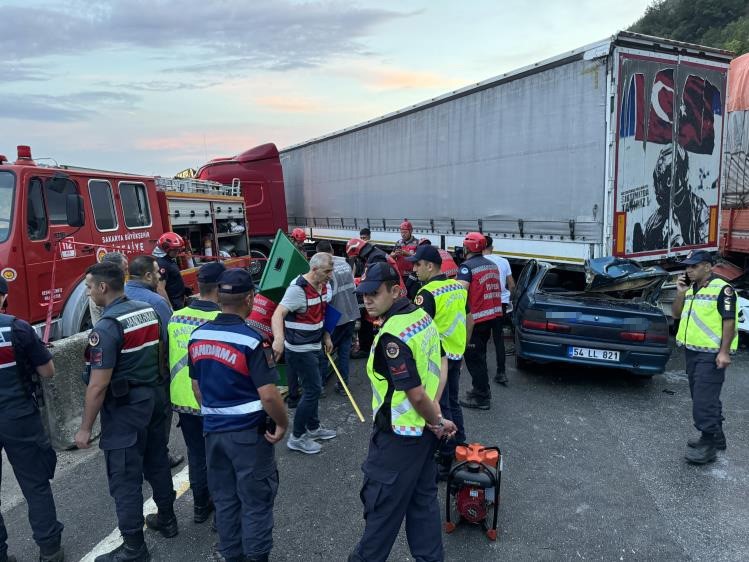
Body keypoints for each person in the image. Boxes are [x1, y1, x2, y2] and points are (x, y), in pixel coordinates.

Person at [349, 261, 456, 562]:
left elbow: (416, 393)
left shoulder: (392, 336)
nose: (366, 300)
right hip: (423, 434)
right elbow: (442, 363)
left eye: (373, 293)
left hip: (398, 438)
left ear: (396, 291)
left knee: (381, 513)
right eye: (363, 293)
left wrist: (435, 418)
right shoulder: (421, 317)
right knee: (422, 504)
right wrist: (436, 418)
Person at [75, 262, 176, 562]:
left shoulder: (106, 327)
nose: (88, 292)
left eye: (89, 286)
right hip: (156, 398)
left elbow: (96, 386)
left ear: (103, 287)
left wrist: (84, 428)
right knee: (157, 459)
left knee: (124, 478)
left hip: (126, 409)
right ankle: (168, 520)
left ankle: (134, 547)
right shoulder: (148, 309)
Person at [189, 268, 288, 562]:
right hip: (248, 436)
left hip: (213, 433)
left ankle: (231, 554)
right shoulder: (252, 340)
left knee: (225, 500)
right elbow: (269, 395)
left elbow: (197, 388)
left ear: (219, 298)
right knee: (256, 501)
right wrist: (282, 423)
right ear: (250, 299)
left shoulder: (198, 335)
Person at [0, 278, 64, 562]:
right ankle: (50, 550)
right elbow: (48, 371)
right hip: (20, 417)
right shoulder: (18, 328)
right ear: (3, 297)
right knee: (35, 484)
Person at [167, 262, 226, 525]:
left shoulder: (175, 317)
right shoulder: (223, 320)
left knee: (196, 455)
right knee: (222, 458)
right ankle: (222, 517)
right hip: (214, 400)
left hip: (182, 400)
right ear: (222, 288)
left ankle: (200, 507)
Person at [408, 245, 469, 480]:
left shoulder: (427, 293)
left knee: (438, 406)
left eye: (417, 264)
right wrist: (462, 350)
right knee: (453, 401)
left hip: (438, 359)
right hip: (455, 353)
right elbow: (468, 319)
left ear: (429, 266)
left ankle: (444, 458)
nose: (414, 268)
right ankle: (459, 445)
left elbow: (418, 330)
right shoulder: (457, 287)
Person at [672, 250, 738, 465]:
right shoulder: (691, 289)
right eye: (687, 266)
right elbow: (675, 314)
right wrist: (680, 292)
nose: (689, 270)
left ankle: (708, 444)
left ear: (708, 267)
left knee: (703, 400)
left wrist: (724, 352)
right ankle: (716, 436)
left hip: (711, 354)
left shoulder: (723, 289)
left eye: (694, 266)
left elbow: (729, 322)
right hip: (692, 351)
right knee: (702, 396)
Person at [271, 253, 337, 454]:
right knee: (313, 390)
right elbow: (278, 313)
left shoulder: (324, 285)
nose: (330, 275)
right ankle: (297, 437)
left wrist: (327, 336)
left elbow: (324, 312)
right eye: (327, 271)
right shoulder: (297, 289)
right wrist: (279, 339)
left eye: (330, 270)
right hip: (300, 350)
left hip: (315, 345)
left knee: (313, 389)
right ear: (314, 270)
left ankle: (314, 427)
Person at [125, 255, 183, 469]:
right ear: (148, 275)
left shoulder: (120, 294)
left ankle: (136, 459)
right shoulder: (156, 301)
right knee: (159, 417)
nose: (160, 276)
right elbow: (171, 338)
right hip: (155, 373)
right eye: (157, 272)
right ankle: (159, 457)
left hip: (126, 374)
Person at [456, 232, 502, 410]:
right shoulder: (491, 265)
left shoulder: (467, 267)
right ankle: (481, 390)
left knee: (475, 359)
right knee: (480, 355)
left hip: (475, 319)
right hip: (491, 316)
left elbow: (461, 292)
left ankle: (481, 397)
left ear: (468, 248)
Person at [317, 241, 359, 394]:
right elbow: (353, 287)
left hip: (335, 318)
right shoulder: (345, 263)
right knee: (344, 351)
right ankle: (343, 386)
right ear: (332, 249)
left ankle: (320, 386)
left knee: (324, 351)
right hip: (351, 313)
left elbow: (327, 297)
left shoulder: (326, 270)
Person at [482, 236, 515, 385]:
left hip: (484, 303)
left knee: (481, 337)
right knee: (498, 338)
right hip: (500, 303)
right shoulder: (504, 261)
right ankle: (501, 372)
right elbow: (512, 285)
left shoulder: (477, 263)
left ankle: (481, 368)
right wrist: (510, 300)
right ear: (492, 247)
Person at [89, 252, 129, 325]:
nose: (127, 273)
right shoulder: (96, 295)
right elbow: (98, 324)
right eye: (125, 269)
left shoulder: (124, 284)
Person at [153, 232, 187, 310]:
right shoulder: (162, 263)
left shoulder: (169, 260)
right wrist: (169, 308)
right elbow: (160, 288)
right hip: (174, 303)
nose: (178, 252)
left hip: (178, 300)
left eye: (179, 249)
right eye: (175, 250)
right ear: (166, 248)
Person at [390, 220, 420, 296]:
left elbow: (419, 258)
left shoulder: (417, 243)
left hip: (412, 274)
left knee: (411, 294)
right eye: (401, 232)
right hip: (400, 274)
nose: (403, 234)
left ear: (411, 231)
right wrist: (394, 254)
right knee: (401, 295)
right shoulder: (398, 242)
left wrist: (406, 254)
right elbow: (390, 256)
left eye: (405, 232)